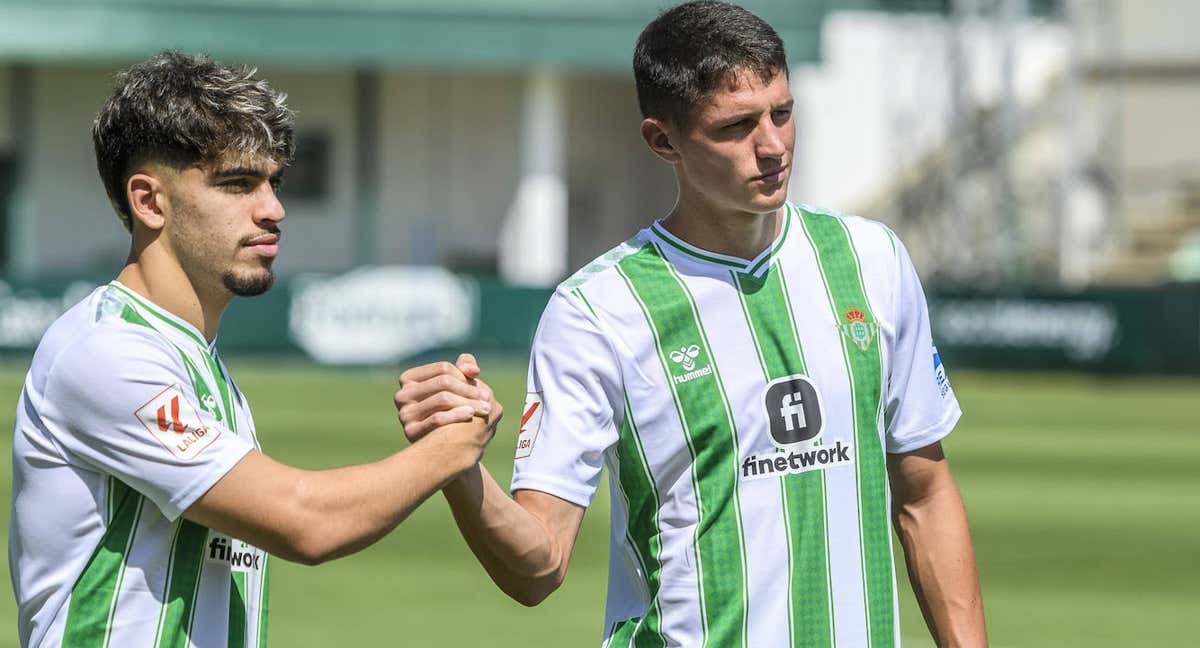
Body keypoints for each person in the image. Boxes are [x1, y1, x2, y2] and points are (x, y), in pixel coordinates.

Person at [396, 2, 987, 646]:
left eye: (782, 113)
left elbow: (926, 497)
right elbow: (537, 566)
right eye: (736, 126)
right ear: (663, 140)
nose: (772, 145)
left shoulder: (872, 259)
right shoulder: (598, 311)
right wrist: (456, 466)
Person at [8, 51, 500, 648]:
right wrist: (453, 445)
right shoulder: (107, 352)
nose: (273, 209)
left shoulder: (192, 356)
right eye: (238, 183)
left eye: (273, 182)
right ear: (150, 201)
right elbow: (306, 523)